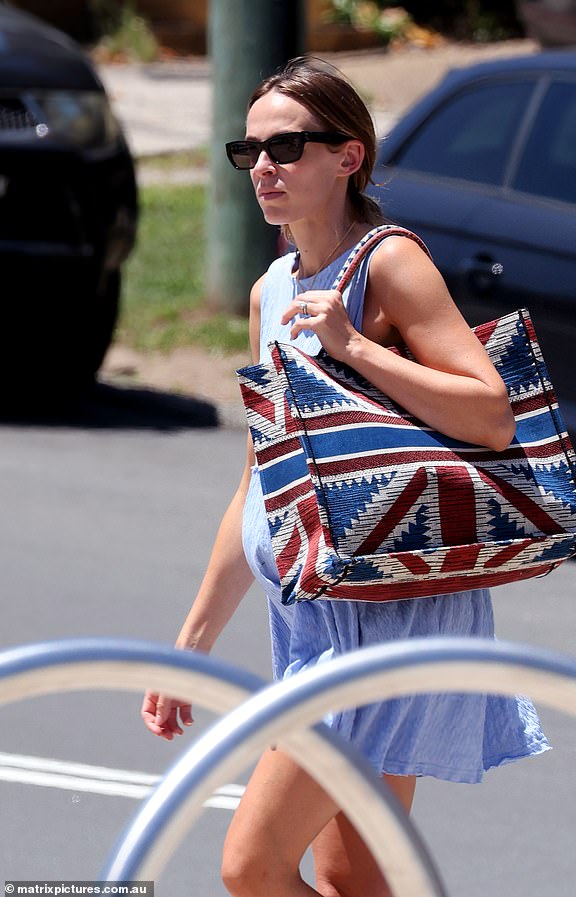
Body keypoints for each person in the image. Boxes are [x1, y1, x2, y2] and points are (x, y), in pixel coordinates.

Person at [141, 56, 550, 897]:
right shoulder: (270, 291)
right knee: (356, 881)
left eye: (287, 147)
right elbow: (261, 479)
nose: (264, 167)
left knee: (252, 866)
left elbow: (490, 413)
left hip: (391, 619)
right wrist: (192, 641)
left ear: (347, 156)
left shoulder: (387, 265)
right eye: (248, 151)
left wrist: (355, 346)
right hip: (312, 619)